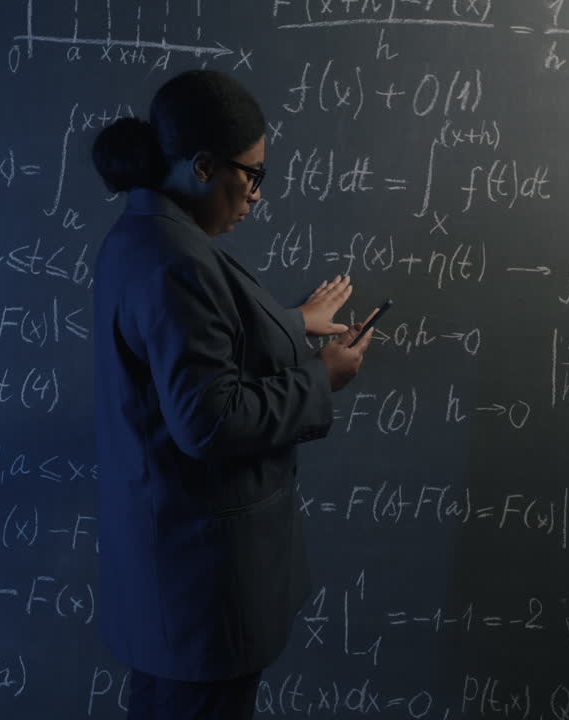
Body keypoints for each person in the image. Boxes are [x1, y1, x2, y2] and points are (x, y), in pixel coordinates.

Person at [90, 69, 376, 720]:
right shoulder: (178, 260)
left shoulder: (141, 233)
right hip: (203, 584)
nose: (256, 195)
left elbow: (189, 344)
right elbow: (209, 419)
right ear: (202, 167)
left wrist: (291, 322)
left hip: (172, 571)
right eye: (252, 175)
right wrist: (321, 378)